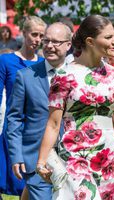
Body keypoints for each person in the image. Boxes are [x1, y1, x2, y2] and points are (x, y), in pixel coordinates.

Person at [35, 14, 114, 200]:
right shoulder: (64, 76)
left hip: (107, 158)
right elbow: (53, 124)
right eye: (108, 37)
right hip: (75, 158)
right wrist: (42, 161)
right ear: (90, 41)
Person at [6, 22, 72, 200]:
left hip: (74, 158)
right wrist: (16, 155)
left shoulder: (79, 75)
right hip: (36, 159)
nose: (50, 46)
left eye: (56, 42)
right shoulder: (26, 76)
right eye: (47, 40)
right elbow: (14, 118)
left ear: (69, 44)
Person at [0, 16, 46, 196]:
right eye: (34, 34)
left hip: (36, 131)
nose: (38, 40)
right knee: (11, 181)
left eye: (41, 36)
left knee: (32, 184)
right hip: (14, 128)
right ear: (23, 33)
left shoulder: (43, 63)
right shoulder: (6, 61)